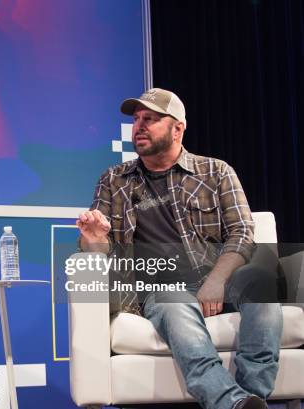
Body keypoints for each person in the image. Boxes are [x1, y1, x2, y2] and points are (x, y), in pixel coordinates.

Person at [77, 88, 282, 409]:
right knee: (174, 303)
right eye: (136, 120)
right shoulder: (113, 180)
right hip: (162, 290)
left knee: (263, 282)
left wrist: (216, 281)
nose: (139, 126)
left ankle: (252, 395)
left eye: (151, 119)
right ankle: (234, 403)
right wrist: (93, 239)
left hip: (221, 281)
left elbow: (242, 232)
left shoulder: (216, 172)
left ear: (177, 128)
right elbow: (99, 251)